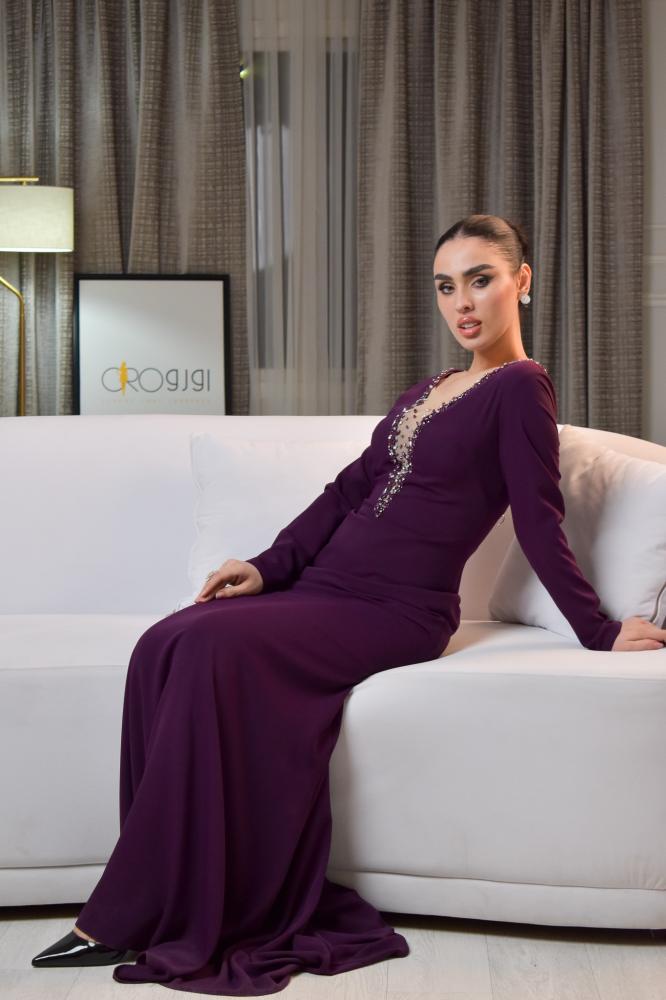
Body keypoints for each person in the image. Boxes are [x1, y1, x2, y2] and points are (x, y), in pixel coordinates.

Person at [32, 214, 666, 994]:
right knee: (164, 641)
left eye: (481, 280)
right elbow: (346, 493)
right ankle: (165, 889)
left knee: (205, 648)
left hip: (397, 609)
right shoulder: (428, 390)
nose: (463, 303)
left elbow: (539, 519)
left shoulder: (521, 390)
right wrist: (266, 566)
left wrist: (600, 630)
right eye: (446, 287)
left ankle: (125, 913)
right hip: (325, 588)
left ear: (521, 282)